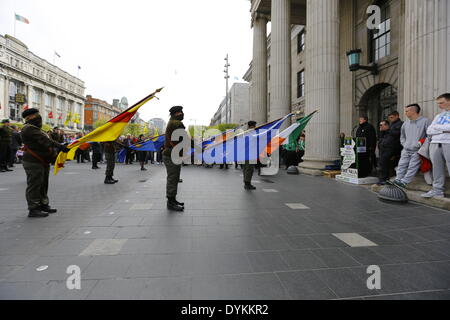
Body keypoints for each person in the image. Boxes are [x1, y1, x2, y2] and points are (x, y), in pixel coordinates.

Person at [20, 108, 70, 218]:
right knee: (34, 185)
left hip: (42, 161)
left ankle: (43, 204)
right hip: (33, 161)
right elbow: (46, 141)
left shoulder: (37, 129)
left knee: (43, 184)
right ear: (28, 118)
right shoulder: (28, 129)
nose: (38, 116)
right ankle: (33, 208)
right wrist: (60, 146)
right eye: (35, 115)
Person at [392, 104, 431, 189]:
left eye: (407, 111)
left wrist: (420, 144)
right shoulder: (405, 123)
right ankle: (398, 179)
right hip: (406, 149)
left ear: (413, 111)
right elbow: (402, 136)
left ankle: (405, 182)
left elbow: (430, 135)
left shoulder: (425, 121)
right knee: (401, 164)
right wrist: (404, 144)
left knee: (413, 166)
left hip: (418, 150)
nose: (405, 113)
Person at [422, 93, 450, 198]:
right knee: (436, 169)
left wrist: (437, 128)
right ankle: (437, 190)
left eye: (441, 103)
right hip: (434, 144)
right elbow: (429, 130)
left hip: (448, 143)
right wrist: (443, 129)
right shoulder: (438, 115)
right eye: (438, 103)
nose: (439, 105)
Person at [163, 106, 186, 211]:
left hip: (172, 154)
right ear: (175, 114)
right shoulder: (176, 124)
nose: (182, 114)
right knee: (173, 178)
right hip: (172, 154)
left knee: (174, 178)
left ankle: (173, 199)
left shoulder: (172, 122)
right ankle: (171, 202)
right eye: (180, 112)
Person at [377, 112, 403, 185]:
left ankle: (385, 179)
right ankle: (382, 178)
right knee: (382, 163)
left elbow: (397, 134)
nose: (390, 119)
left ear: (397, 116)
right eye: (389, 118)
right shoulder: (392, 125)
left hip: (392, 148)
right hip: (385, 147)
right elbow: (383, 137)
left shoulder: (400, 124)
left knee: (385, 163)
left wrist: (388, 129)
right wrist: (382, 131)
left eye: (392, 117)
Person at [243, 121, 257, 190]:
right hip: (249, 153)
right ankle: (247, 184)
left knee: (246, 168)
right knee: (249, 169)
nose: (255, 127)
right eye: (254, 126)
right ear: (251, 126)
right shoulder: (251, 133)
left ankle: (246, 183)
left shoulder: (245, 133)